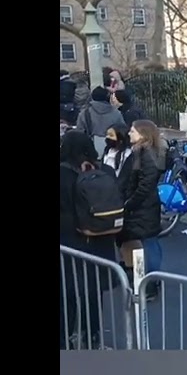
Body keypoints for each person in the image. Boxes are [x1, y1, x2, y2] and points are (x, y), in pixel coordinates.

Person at [59, 131, 117, 349]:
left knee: (67, 293)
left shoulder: (63, 174)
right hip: (99, 240)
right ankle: (92, 336)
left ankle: (66, 338)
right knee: (93, 292)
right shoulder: (104, 171)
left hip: (68, 241)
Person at [118, 120, 164, 301]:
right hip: (144, 207)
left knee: (148, 243)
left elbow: (146, 184)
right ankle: (150, 280)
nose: (129, 133)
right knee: (148, 242)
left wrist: (130, 202)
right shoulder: (143, 152)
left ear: (143, 134)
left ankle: (151, 283)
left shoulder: (145, 154)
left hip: (143, 207)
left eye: (133, 130)